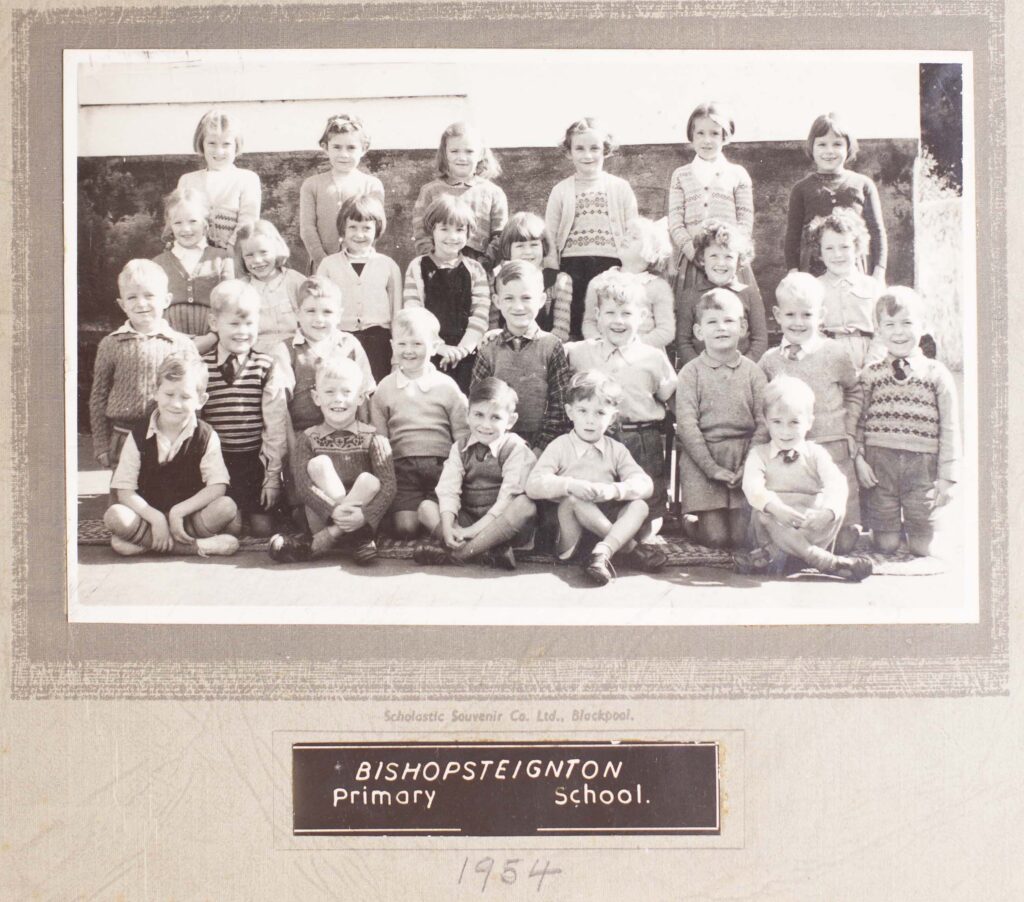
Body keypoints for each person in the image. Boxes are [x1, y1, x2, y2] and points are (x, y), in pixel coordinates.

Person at [566, 273, 676, 544]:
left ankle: (635, 539)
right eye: (610, 312)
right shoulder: (578, 352)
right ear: (597, 315)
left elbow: (667, 392)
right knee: (597, 501)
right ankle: (617, 541)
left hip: (640, 438)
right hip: (595, 440)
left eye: (626, 313)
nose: (618, 321)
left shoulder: (653, 357)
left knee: (646, 510)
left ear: (642, 316)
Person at [526, 370, 664, 586]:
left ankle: (602, 553)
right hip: (571, 534)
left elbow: (645, 484)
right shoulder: (560, 446)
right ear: (570, 412)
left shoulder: (616, 449)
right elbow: (533, 484)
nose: (590, 421)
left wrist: (613, 490)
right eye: (583, 411)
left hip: (605, 529)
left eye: (600, 413)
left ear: (613, 418)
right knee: (574, 500)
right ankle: (630, 550)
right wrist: (570, 485)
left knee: (639, 506)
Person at [760, 272, 863, 553]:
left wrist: (850, 428)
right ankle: (803, 545)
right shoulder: (769, 361)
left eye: (807, 314)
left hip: (831, 445)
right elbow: (763, 406)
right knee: (797, 523)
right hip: (791, 451)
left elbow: (855, 390)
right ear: (777, 315)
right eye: (790, 314)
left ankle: (834, 534)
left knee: (844, 539)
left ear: (822, 315)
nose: (798, 322)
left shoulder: (835, 353)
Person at [855, 287, 960, 557]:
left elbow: (950, 428)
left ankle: (915, 524)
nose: (898, 331)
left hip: (922, 467)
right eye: (889, 324)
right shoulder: (870, 374)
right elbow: (857, 420)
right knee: (886, 545)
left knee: (923, 548)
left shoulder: (937, 374)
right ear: (878, 329)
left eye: (907, 323)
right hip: (880, 464)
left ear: (923, 326)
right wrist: (858, 458)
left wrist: (948, 478)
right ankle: (889, 527)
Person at [738, 374, 873, 581]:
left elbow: (836, 483)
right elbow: (753, 487)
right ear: (766, 421)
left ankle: (774, 555)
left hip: (810, 525)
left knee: (833, 509)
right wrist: (776, 508)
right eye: (777, 422)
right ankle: (818, 559)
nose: (785, 431)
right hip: (776, 523)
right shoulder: (759, 454)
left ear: (809, 422)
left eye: (794, 422)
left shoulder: (816, 453)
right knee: (762, 515)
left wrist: (827, 512)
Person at [103, 353, 238, 558]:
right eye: (169, 394)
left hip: (187, 518)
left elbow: (217, 486)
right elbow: (124, 490)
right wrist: (157, 519)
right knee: (115, 516)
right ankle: (201, 547)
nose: (175, 404)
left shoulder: (206, 435)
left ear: (201, 400)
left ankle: (147, 544)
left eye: (185, 397)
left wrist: (178, 512)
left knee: (226, 507)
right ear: (156, 392)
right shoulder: (138, 436)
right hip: (148, 516)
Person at [269, 354, 396, 565]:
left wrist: (364, 516)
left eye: (347, 392)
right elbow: (302, 483)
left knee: (370, 481)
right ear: (316, 397)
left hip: (361, 518)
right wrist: (333, 510)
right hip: (322, 515)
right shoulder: (308, 438)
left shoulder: (374, 438)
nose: (338, 398)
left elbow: (389, 485)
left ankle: (320, 543)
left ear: (360, 398)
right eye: (329, 392)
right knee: (319, 465)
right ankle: (357, 540)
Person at [675, 288, 768, 549]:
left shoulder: (753, 372)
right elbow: (687, 426)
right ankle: (690, 521)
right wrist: (711, 468)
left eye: (729, 321)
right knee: (716, 538)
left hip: (742, 458)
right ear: (698, 331)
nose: (721, 328)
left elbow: (763, 422)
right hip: (703, 461)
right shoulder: (690, 373)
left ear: (743, 327)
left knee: (741, 538)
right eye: (712, 322)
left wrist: (748, 466)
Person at [413, 378, 538, 570]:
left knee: (525, 505)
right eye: (478, 415)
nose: (485, 425)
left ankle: (460, 554)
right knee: (426, 508)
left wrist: (471, 531)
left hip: (503, 525)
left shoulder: (516, 448)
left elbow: (506, 500)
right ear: (468, 415)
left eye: (495, 417)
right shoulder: (460, 447)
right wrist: (448, 528)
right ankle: (485, 551)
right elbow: (448, 489)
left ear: (510, 421)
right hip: (469, 517)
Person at [89, 259, 198, 471]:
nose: (141, 304)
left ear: (166, 300)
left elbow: (194, 396)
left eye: (149, 295)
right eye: (132, 297)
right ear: (122, 304)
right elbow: (98, 397)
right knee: (123, 496)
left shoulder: (182, 344)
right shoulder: (111, 344)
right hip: (123, 435)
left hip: (170, 435)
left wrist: (192, 440)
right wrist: (101, 445)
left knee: (167, 496)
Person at [369, 308, 469, 538]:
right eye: (402, 344)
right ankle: (441, 533)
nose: (409, 351)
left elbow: (462, 432)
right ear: (393, 346)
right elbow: (380, 438)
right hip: (402, 470)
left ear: (434, 346)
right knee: (406, 528)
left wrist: (460, 469)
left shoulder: (446, 386)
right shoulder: (385, 387)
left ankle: (448, 536)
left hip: (441, 466)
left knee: (439, 510)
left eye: (417, 344)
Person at [199, 279, 287, 536]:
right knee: (232, 527)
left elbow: (275, 427)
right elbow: (195, 427)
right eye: (234, 324)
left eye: (249, 324)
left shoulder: (265, 366)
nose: (242, 332)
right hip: (218, 463)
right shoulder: (201, 368)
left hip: (254, 463)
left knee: (262, 529)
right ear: (214, 323)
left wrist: (272, 479)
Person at [545, 117, 639, 339]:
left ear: (605, 150)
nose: (587, 155)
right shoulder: (561, 190)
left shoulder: (620, 188)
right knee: (576, 325)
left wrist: (631, 270)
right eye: (580, 148)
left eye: (594, 148)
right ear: (569, 152)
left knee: (608, 321)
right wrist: (551, 275)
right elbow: (549, 235)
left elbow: (633, 231)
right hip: (572, 269)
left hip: (611, 267)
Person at [471, 260, 572, 452]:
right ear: (496, 301)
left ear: (541, 300)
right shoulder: (488, 350)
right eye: (509, 298)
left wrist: (540, 449)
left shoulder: (552, 346)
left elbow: (559, 407)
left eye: (526, 298)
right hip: (497, 446)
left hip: (543, 448)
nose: (518, 307)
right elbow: (477, 403)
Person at [402, 194, 491, 393]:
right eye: (444, 229)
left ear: (469, 233)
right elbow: (414, 313)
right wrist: (439, 347)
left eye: (459, 230)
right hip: (428, 353)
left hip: (467, 355)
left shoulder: (475, 270)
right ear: (431, 230)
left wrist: (462, 349)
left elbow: (480, 315)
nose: (452, 237)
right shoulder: (417, 267)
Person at [784, 111, 887, 280]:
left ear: (848, 147)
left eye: (837, 144)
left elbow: (877, 232)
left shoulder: (863, 185)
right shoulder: (801, 189)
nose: (829, 151)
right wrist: (793, 272)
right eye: (822, 144)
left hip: (854, 269)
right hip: (813, 271)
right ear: (812, 147)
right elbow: (792, 235)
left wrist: (879, 271)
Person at [667, 101, 756, 293]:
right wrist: (693, 253)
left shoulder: (737, 174)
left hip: (727, 262)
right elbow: (675, 223)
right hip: (693, 263)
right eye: (700, 133)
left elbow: (745, 221)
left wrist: (730, 251)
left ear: (725, 136)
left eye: (714, 133)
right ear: (691, 135)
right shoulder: (680, 175)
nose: (707, 140)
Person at [316, 194, 402, 383]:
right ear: (343, 229)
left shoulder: (388, 265)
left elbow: (396, 313)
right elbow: (319, 307)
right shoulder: (328, 265)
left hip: (379, 343)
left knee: (376, 394)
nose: (359, 234)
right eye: (353, 227)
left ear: (377, 229)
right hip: (341, 341)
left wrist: (396, 355)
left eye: (366, 228)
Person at [410, 121, 507, 267]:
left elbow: (501, 235)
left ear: (481, 154)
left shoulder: (493, 193)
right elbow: (421, 233)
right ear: (445, 153)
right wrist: (434, 262)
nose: (462, 158)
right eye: (455, 151)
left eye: (469, 151)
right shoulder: (430, 191)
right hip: (439, 268)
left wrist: (484, 264)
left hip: (480, 268)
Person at [299, 113, 385, 271]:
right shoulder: (312, 185)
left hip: (360, 263)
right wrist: (323, 261)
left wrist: (358, 257)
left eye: (351, 148)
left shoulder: (372, 185)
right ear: (325, 147)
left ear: (364, 149)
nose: (344, 154)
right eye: (337, 147)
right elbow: (307, 229)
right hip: (322, 265)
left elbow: (376, 226)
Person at [675, 219, 767, 365]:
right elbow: (683, 342)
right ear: (702, 258)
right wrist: (702, 369)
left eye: (729, 257)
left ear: (739, 260)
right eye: (714, 256)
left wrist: (742, 368)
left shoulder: (749, 294)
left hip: (741, 373)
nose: (721, 263)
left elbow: (760, 340)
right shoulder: (690, 296)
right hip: (701, 374)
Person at [151, 187, 230, 354]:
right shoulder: (157, 264)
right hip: (168, 347)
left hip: (216, 347)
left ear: (205, 222)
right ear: (170, 225)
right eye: (178, 223)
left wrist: (213, 337)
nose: (186, 229)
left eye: (193, 221)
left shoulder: (222, 259)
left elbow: (231, 306)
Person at [580, 216, 676, 349]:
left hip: (643, 356)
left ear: (651, 253)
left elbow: (666, 331)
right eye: (627, 233)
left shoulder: (658, 286)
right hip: (605, 354)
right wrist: (602, 345)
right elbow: (589, 322)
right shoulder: (598, 282)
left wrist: (631, 348)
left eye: (634, 237)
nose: (626, 238)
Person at [176, 108, 260, 258]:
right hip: (194, 257)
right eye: (212, 143)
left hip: (233, 255)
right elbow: (177, 219)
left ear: (236, 146)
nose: (219, 151)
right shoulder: (187, 180)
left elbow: (248, 222)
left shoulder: (247, 179)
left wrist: (229, 252)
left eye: (226, 144)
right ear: (202, 144)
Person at [810, 208, 885, 371]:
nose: (837, 254)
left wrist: (872, 365)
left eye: (844, 247)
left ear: (857, 248)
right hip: (828, 360)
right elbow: (812, 330)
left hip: (869, 360)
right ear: (820, 252)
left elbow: (883, 330)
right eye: (829, 248)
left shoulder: (872, 286)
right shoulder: (814, 287)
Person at [491, 212, 572, 341]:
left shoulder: (559, 281)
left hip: (546, 352)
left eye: (534, 245)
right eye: (520, 246)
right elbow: (492, 328)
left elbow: (561, 331)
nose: (528, 251)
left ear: (543, 246)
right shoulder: (496, 279)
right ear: (508, 248)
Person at [233, 219, 304, 353]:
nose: (257, 260)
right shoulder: (242, 289)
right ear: (242, 257)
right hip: (257, 353)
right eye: (249, 255)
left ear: (276, 249)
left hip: (295, 349)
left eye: (264, 252)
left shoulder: (294, 281)